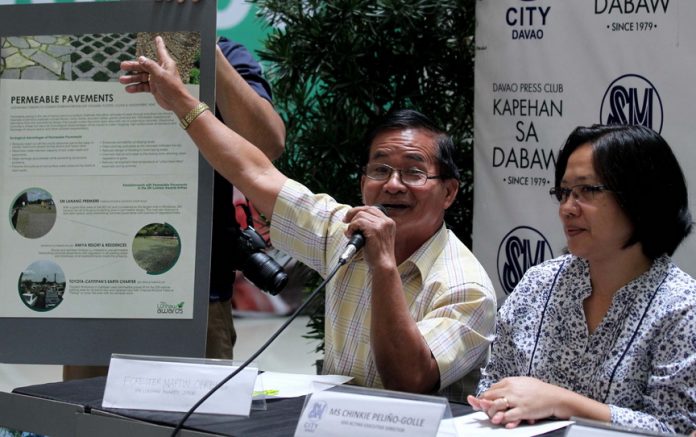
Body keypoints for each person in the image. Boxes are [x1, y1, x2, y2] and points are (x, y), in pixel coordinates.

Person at [119, 36, 496, 400]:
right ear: (363, 181)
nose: (393, 185)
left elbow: (409, 380)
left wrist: (383, 265)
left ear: (448, 192)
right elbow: (256, 173)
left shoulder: (465, 287)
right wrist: (183, 103)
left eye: (413, 173)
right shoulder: (344, 231)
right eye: (380, 170)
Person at [62, 36, 284, 381]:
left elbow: (267, 144)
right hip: (95, 291)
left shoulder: (224, 51)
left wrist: (204, 44)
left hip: (196, 295)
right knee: (89, 418)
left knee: (195, 421)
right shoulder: (87, 46)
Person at [468, 124, 696, 434]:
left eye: (587, 190)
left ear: (640, 196)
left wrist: (562, 402)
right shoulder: (539, 283)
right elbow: (492, 387)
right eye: (563, 193)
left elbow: (676, 429)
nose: (566, 209)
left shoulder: (682, 306)